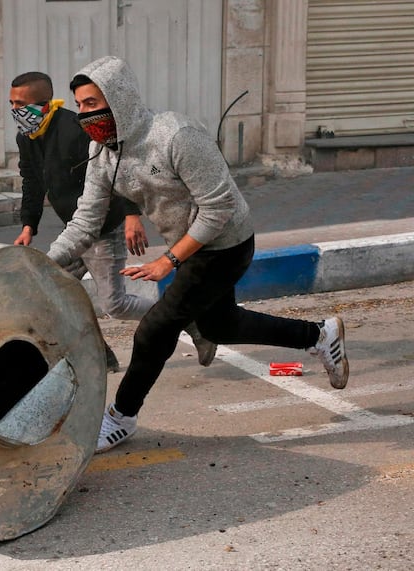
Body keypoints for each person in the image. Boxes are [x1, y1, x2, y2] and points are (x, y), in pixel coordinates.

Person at [45, 56, 349, 453]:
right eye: (79, 105)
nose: (84, 114)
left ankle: (121, 417)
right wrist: (43, 264)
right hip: (190, 245)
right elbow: (85, 222)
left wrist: (168, 260)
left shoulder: (176, 135)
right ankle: (319, 335)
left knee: (156, 328)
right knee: (221, 326)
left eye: (91, 103)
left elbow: (218, 208)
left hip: (225, 242)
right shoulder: (102, 153)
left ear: (118, 99)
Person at [9, 71, 217, 373]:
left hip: (102, 228)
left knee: (115, 304)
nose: (15, 111)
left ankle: (190, 321)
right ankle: (100, 354)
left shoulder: (74, 130)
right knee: (50, 292)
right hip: (75, 230)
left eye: (20, 104)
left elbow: (116, 164)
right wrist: (29, 225)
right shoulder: (27, 137)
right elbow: (31, 180)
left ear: (43, 104)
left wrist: (132, 214)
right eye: (11, 103)